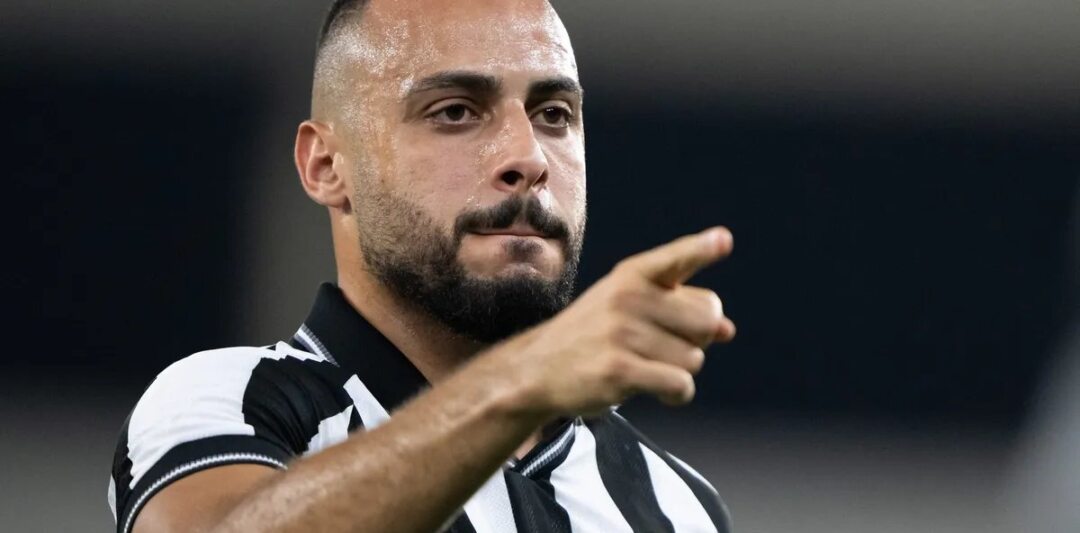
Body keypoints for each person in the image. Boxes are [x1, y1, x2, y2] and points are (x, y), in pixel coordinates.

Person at [108, 0, 738, 531]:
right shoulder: (230, 401)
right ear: (326, 166)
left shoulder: (679, 506)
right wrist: (522, 382)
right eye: (455, 111)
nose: (528, 158)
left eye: (554, 115)